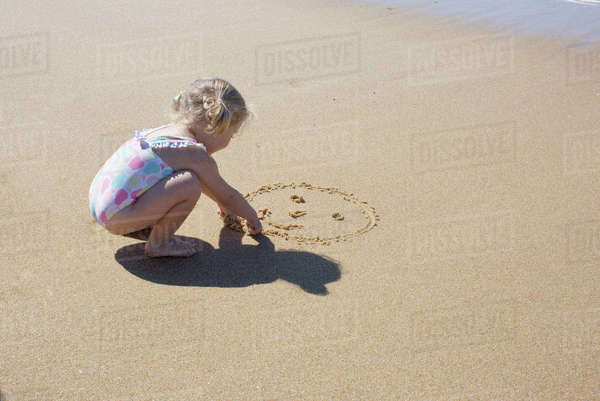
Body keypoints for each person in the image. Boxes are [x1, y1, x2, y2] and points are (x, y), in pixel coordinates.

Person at [88, 78, 262, 257]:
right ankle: (159, 244)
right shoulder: (195, 154)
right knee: (189, 184)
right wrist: (251, 216)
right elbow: (227, 194)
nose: (228, 142)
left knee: (184, 178)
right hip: (117, 217)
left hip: (99, 203)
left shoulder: (167, 133)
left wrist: (222, 204)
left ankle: (141, 223)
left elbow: (211, 186)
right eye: (231, 135)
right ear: (215, 127)